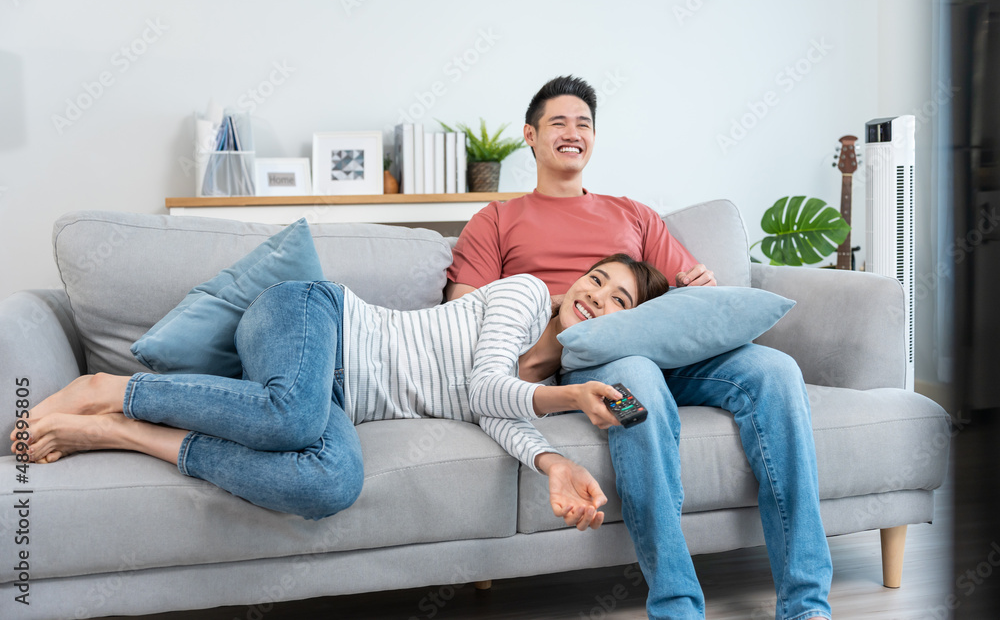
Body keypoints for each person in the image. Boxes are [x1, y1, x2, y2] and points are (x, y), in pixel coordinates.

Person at [446, 75, 832, 620]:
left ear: (594, 139)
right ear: (530, 136)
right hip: (589, 357)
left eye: (584, 123)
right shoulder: (497, 220)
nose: (572, 132)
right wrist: (572, 302)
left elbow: (680, 290)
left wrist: (700, 289)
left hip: (666, 348)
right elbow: (462, 309)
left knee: (776, 371)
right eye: (558, 122)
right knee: (638, 381)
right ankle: (676, 604)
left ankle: (807, 604)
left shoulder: (634, 215)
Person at [11, 254, 667, 531]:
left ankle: (123, 430)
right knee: (291, 415)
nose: (596, 295)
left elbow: (498, 410)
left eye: (618, 300)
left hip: (330, 397)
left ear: (625, 322)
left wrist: (556, 464)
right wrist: (574, 399)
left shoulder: (548, 382)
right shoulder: (525, 295)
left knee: (330, 482)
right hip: (312, 317)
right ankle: (111, 387)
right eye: (597, 277)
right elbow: (485, 382)